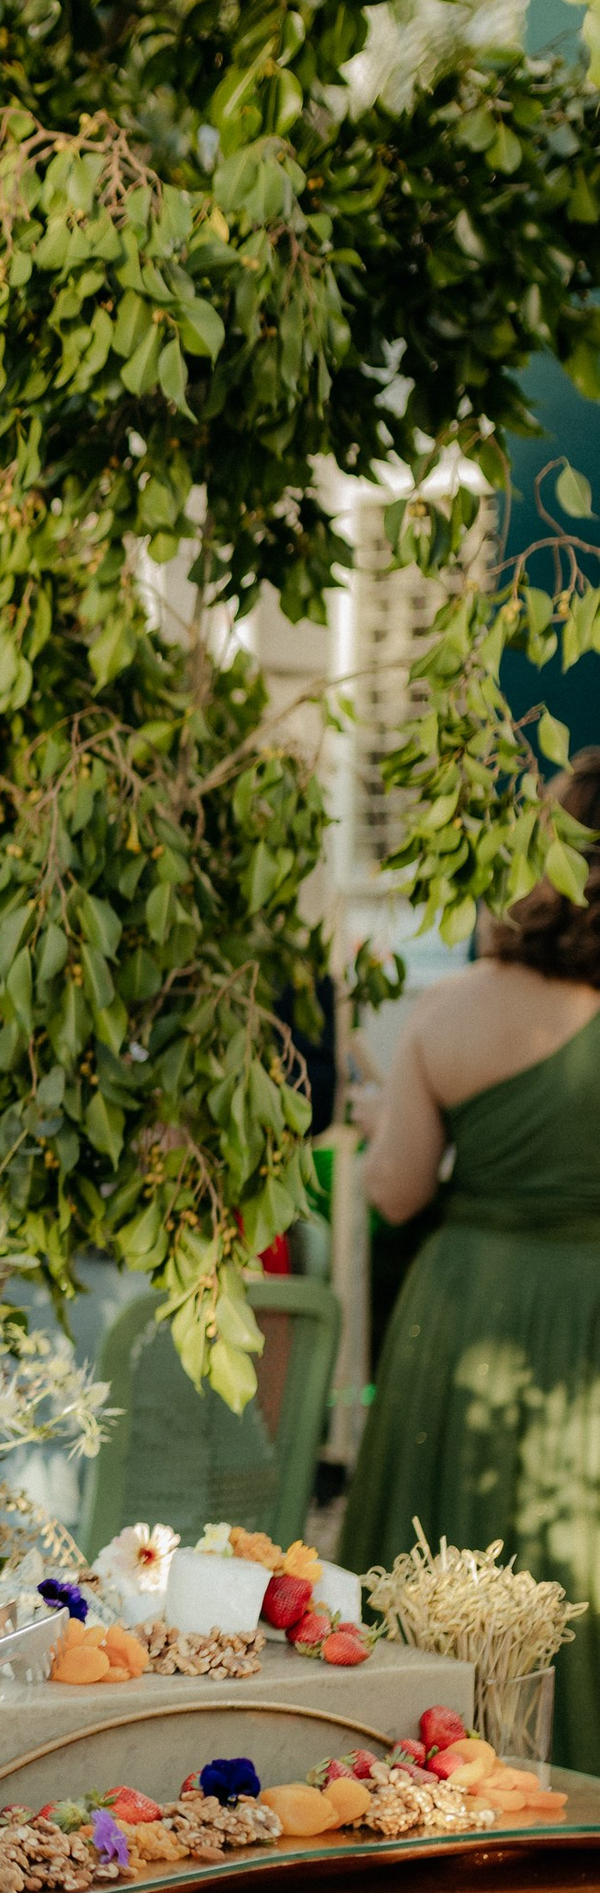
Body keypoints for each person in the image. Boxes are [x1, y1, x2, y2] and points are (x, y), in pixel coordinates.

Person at [343, 750, 600, 1769]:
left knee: (447, 1541)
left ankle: (425, 1778)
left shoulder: (453, 1008)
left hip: (468, 1308)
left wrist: (384, 1125)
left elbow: (395, 1189)